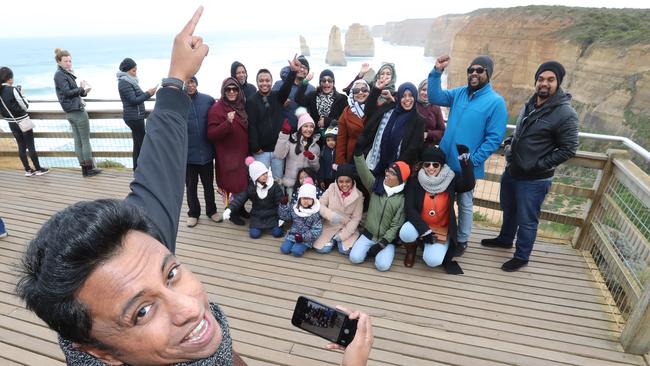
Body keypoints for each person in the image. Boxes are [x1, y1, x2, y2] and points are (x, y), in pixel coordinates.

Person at [15, 7, 373, 365]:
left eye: (171, 273)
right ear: (97, 352)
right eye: (141, 312)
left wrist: (175, 79)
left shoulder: (139, 258)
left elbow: (158, 175)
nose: (190, 307)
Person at [482, 61, 579, 272]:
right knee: (509, 209)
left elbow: (569, 148)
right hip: (513, 170)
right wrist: (510, 141)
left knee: (527, 219)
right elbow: (523, 131)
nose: (544, 83)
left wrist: (537, 165)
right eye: (541, 79)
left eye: (550, 80)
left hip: (535, 179)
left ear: (558, 82)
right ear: (536, 81)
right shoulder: (531, 103)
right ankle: (505, 239)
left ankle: (521, 256)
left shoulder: (565, 113)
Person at [428, 54, 508, 256]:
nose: (474, 73)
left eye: (479, 70)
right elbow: (434, 97)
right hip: (445, 162)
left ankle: (462, 240)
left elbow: (494, 138)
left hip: (466, 167)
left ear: (488, 74)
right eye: (470, 70)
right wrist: (437, 72)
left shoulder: (496, 102)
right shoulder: (459, 93)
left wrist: (472, 161)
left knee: (464, 203)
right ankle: (442, 232)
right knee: (443, 200)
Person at [398, 146, 475, 274]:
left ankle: (429, 243)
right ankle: (411, 251)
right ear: (422, 165)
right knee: (406, 232)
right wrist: (425, 231)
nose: (431, 168)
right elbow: (410, 209)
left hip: (441, 227)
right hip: (421, 226)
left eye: (435, 164)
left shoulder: (451, 178)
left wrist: (464, 159)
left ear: (441, 165)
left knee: (432, 261)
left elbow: (468, 184)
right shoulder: (415, 180)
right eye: (427, 164)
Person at [349, 138, 409, 272]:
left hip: (386, 240)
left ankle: (384, 250)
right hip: (369, 234)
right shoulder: (376, 186)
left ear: (400, 179)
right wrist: (358, 154)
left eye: (392, 174)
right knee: (355, 258)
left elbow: (396, 226)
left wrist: (382, 244)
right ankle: (367, 248)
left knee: (382, 266)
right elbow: (364, 172)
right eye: (388, 171)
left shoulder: (402, 198)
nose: (387, 174)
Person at [361, 78, 425, 181]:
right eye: (403, 96)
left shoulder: (418, 120)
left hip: (397, 172)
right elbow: (368, 111)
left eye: (411, 95)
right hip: (373, 164)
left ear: (415, 97)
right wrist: (376, 89)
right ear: (399, 97)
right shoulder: (389, 109)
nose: (407, 99)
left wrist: (394, 169)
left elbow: (413, 148)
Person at [246, 58, 299, 183]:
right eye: (261, 81)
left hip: (277, 149)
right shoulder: (251, 101)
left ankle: (278, 203)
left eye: (267, 80)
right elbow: (251, 125)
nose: (265, 83)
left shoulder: (277, 97)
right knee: (261, 182)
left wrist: (293, 72)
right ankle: (260, 202)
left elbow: (286, 88)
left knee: (277, 181)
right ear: (257, 82)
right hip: (261, 151)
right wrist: (255, 146)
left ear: (271, 81)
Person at [53, 48, 102, 177]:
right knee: (84, 141)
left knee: (78, 141)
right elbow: (67, 93)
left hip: (70, 111)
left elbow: (71, 92)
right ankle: (89, 169)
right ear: (59, 62)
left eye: (70, 61)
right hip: (77, 112)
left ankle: (84, 170)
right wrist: (80, 88)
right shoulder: (60, 74)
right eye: (66, 61)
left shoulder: (64, 73)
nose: (69, 63)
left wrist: (83, 91)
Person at [208, 77, 249, 216]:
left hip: (242, 154)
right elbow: (211, 134)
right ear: (223, 91)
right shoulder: (217, 108)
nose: (232, 92)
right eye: (228, 89)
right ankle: (232, 213)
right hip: (227, 156)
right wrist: (227, 123)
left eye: (235, 89)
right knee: (231, 185)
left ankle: (240, 208)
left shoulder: (242, 105)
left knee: (242, 184)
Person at [0, 67, 49, 176]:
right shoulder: (13, 89)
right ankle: (38, 169)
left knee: (21, 145)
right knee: (30, 145)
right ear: (9, 79)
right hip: (22, 121)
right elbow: (25, 106)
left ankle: (28, 170)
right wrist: (22, 94)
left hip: (11, 122)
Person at [185, 76, 219, 228]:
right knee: (191, 186)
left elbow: (219, 116)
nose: (189, 85)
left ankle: (211, 211)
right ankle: (193, 213)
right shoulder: (178, 103)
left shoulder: (208, 100)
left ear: (196, 83)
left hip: (206, 152)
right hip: (187, 155)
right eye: (187, 82)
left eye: (192, 82)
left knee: (208, 185)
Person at [224, 159, 285, 236]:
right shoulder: (251, 187)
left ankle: (274, 227)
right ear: (255, 176)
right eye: (262, 174)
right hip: (257, 215)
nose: (265, 175)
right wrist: (229, 209)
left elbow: (280, 202)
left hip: (272, 214)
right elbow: (240, 198)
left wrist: (281, 217)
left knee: (277, 233)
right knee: (254, 234)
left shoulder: (274, 186)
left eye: (266, 173)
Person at [116, 57, 157, 170]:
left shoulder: (129, 81)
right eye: (133, 70)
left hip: (135, 116)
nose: (135, 72)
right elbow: (133, 100)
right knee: (143, 143)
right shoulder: (124, 83)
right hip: (134, 117)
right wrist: (148, 94)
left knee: (138, 143)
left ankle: (137, 167)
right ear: (127, 70)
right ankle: (145, 168)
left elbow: (137, 96)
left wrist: (148, 93)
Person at [314, 164, 364, 255]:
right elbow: (320, 204)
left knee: (344, 250)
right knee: (322, 249)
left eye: (347, 181)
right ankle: (332, 240)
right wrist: (331, 215)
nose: (344, 184)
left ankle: (339, 240)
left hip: (346, 227)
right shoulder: (332, 188)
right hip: (330, 224)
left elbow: (356, 218)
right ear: (337, 181)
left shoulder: (358, 195)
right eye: (341, 181)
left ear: (352, 181)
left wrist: (344, 235)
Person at [274, 108, 321, 197]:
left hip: (307, 185)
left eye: (311, 126)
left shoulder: (316, 147)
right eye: (305, 126)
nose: (309, 129)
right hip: (291, 183)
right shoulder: (292, 142)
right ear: (300, 128)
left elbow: (316, 168)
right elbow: (279, 155)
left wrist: (312, 158)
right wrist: (284, 134)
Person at [278, 178, 323, 257]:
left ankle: (302, 247)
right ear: (299, 199)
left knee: (296, 252)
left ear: (313, 200)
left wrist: (303, 237)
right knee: (284, 249)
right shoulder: (295, 209)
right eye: (304, 198)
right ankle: (293, 245)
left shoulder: (315, 213)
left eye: (309, 198)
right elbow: (285, 217)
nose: (306, 201)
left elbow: (316, 230)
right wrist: (283, 206)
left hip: (305, 238)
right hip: (293, 235)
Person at [295, 69, 347, 135]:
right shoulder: (312, 96)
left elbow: (344, 119)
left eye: (330, 81)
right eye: (323, 80)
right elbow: (298, 99)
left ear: (333, 83)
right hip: (315, 135)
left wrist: (328, 121)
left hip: (333, 137)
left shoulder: (341, 98)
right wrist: (305, 81)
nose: (326, 83)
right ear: (320, 83)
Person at [271, 55, 315, 130]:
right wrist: (280, 104)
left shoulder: (311, 89)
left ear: (308, 71)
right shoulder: (280, 84)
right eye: (300, 66)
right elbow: (269, 106)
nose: (302, 69)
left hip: (303, 131)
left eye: (305, 68)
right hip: (282, 131)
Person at [336, 79, 370, 165]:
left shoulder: (376, 108)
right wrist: (340, 164)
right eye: (356, 90)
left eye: (364, 90)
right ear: (352, 94)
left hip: (371, 154)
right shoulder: (346, 112)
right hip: (353, 154)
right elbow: (341, 140)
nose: (360, 93)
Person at [416, 79, 445, 147]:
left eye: (429, 90)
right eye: (424, 89)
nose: (426, 93)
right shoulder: (413, 104)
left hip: (428, 146)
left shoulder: (436, 107)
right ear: (419, 90)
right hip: (412, 144)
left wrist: (428, 134)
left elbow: (442, 131)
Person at [319, 124, 338, 190]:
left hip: (336, 179)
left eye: (333, 140)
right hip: (326, 179)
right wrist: (321, 180)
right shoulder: (324, 152)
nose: (331, 142)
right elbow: (321, 167)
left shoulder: (339, 151)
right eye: (328, 140)